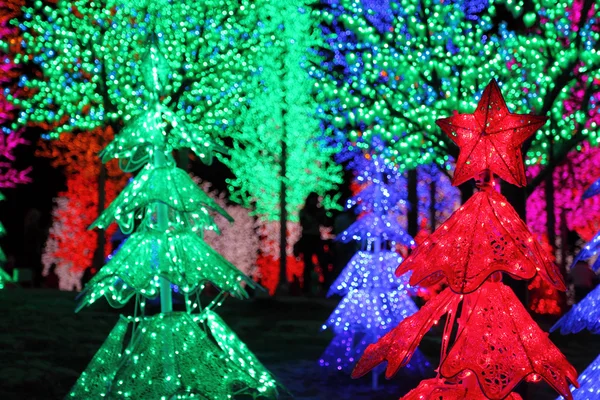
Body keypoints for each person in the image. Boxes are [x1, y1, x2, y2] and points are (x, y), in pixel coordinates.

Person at [298, 192, 328, 295]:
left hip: (316, 237)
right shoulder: (304, 211)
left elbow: (324, 223)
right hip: (307, 237)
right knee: (308, 263)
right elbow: (304, 224)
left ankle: (324, 285)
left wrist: (321, 215)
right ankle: (306, 287)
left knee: (322, 261)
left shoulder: (319, 211)